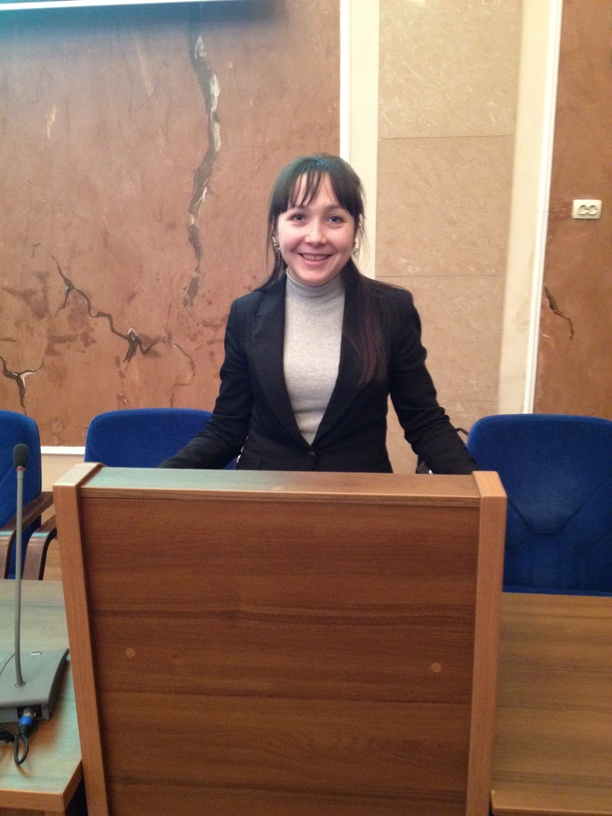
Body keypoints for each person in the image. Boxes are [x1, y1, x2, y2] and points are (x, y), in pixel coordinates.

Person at [160, 153, 476, 474]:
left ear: (355, 230)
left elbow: (424, 422)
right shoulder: (247, 313)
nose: (315, 237)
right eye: (299, 217)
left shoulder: (391, 310)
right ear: (276, 228)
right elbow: (227, 428)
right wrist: (156, 481)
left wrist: (481, 486)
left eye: (334, 219)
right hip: (265, 492)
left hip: (359, 493)